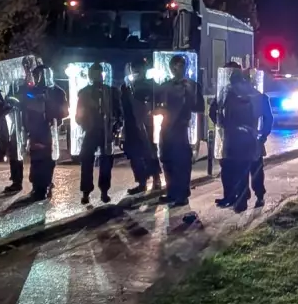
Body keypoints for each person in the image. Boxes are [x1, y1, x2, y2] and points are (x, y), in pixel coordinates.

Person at [210, 63, 271, 211]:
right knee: (248, 169)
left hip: (239, 137)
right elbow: (268, 117)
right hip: (247, 137)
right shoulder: (251, 93)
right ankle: (252, 196)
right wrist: (263, 134)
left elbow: (213, 111)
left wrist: (224, 125)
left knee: (243, 169)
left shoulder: (230, 93)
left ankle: (245, 199)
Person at [5, 59, 68, 200]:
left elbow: (64, 111)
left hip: (48, 130)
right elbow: (21, 100)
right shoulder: (31, 91)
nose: (40, 78)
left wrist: (52, 114)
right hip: (34, 130)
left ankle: (45, 185)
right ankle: (36, 186)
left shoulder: (56, 91)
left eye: (42, 75)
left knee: (47, 159)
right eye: (37, 75)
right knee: (35, 158)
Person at [156, 55, 204, 207]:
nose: (178, 69)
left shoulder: (192, 85)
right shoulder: (164, 86)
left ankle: (182, 194)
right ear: (171, 68)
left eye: (181, 66)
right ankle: (172, 192)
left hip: (181, 127)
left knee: (182, 162)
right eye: (175, 66)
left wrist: (189, 93)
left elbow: (199, 107)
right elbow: (156, 105)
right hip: (166, 126)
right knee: (167, 159)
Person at [76, 62, 122, 204]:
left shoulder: (111, 91)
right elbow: (79, 114)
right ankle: (86, 192)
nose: (96, 76)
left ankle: (104, 190)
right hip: (91, 130)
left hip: (106, 130)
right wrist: (85, 125)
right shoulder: (84, 92)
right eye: (93, 73)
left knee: (106, 161)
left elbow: (119, 112)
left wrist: (115, 127)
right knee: (86, 160)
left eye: (98, 72)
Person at [121, 58, 162, 195]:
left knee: (150, 152)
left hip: (147, 123)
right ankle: (142, 182)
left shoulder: (151, 85)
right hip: (131, 124)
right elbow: (124, 106)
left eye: (140, 69)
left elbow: (158, 101)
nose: (137, 72)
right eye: (134, 69)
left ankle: (156, 179)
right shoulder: (126, 87)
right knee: (135, 154)